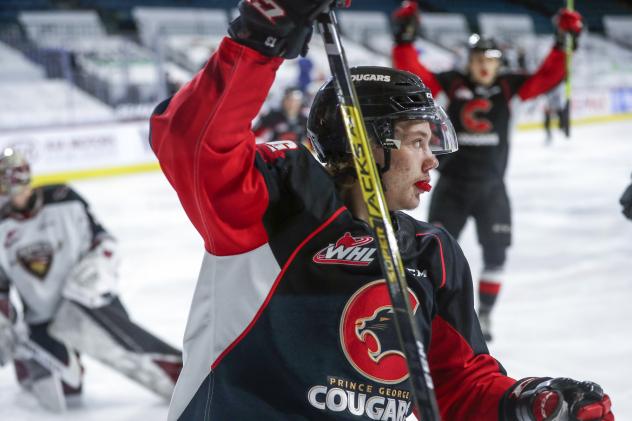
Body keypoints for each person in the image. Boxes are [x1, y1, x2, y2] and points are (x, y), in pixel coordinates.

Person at [150, 1, 613, 420]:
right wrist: (260, 36)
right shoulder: (279, 199)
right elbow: (192, 142)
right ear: (364, 145)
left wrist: (530, 404)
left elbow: (461, 386)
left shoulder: (431, 253)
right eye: (416, 142)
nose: (432, 160)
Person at [391, 1, 584, 341]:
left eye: (491, 61)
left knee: (496, 254)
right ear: (469, 60)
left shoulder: (509, 87)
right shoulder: (451, 84)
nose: (484, 67)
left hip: (491, 188)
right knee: (429, 254)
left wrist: (563, 42)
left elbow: (549, 76)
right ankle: (430, 312)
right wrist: (405, 39)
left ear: (500, 64)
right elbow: (413, 74)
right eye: (479, 60)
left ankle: (487, 315)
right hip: (451, 186)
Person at [0, 148, 182, 411]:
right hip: (42, 319)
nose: (15, 194)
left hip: (86, 302)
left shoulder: (65, 199)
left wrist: (94, 271)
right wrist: (6, 320)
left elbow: (104, 241)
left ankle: (180, 375)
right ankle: (29, 358)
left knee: (128, 348)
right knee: (66, 391)